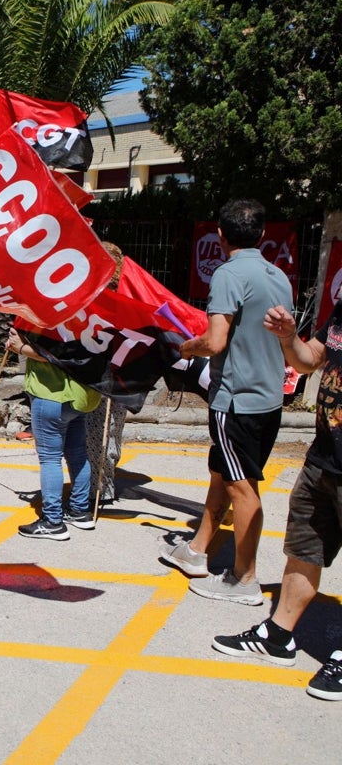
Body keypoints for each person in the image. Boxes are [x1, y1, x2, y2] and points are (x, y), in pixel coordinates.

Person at [160, 199, 293, 604]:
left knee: (241, 488)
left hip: (235, 400)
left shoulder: (227, 274)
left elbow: (215, 341)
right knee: (222, 472)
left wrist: (185, 348)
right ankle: (198, 549)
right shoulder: (279, 277)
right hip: (268, 397)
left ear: (220, 235)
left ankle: (244, 578)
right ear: (263, 234)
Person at [210, 301, 342, 700]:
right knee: (305, 548)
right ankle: (279, 634)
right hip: (325, 457)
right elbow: (309, 361)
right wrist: (288, 338)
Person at [7, 327, 100, 540]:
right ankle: (79, 510)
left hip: (51, 393)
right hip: (82, 395)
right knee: (77, 454)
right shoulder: (87, 315)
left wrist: (20, 347)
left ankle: (53, 521)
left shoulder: (52, 313)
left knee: (50, 458)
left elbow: (51, 354)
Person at [85, 242, 128, 503]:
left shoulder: (109, 298)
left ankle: (98, 490)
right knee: (110, 431)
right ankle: (102, 486)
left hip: (105, 374)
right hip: (122, 375)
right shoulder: (124, 296)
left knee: (97, 432)